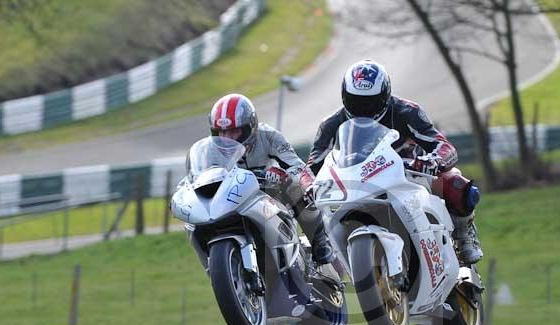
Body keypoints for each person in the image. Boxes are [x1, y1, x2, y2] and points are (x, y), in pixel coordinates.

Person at [308, 59, 483, 264]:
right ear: (344, 96)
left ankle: (464, 234)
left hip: (407, 175)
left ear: (385, 96)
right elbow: (312, 166)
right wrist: (308, 185)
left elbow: (444, 147)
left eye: (370, 102)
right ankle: (326, 256)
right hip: (354, 183)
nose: (363, 109)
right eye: (356, 101)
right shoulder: (330, 124)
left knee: (456, 184)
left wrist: (432, 160)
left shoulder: (407, 112)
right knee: (311, 207)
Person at [204, 93, 334, 264]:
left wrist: (291, 178)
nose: (227, 139)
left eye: (234, 131)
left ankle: (320, 242)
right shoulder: (211, 149)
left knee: (295, 188)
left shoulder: (268, 136)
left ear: (250, 127)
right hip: (232, 199)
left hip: (271, 192)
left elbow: (298, 167)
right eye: (222, 132)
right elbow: (203, 178)